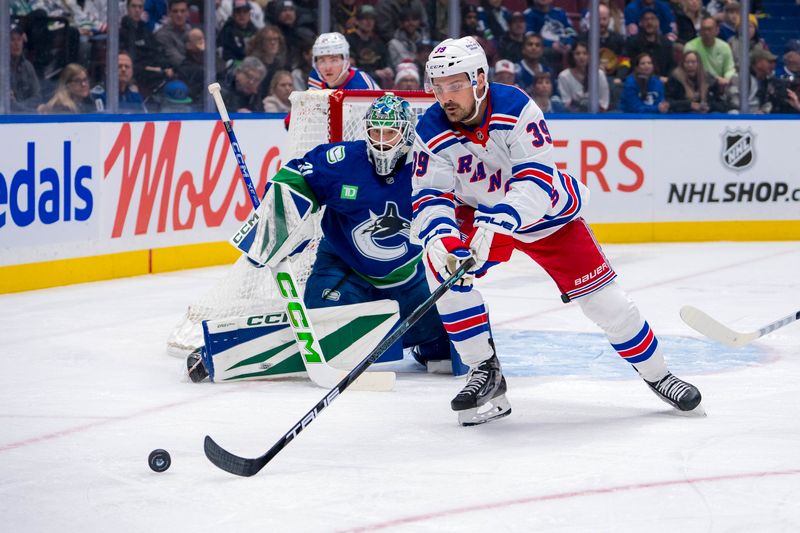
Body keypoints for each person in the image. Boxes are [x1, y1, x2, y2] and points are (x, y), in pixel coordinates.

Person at [413, 36, 701, 425]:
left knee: (608, 304)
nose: (445, 96)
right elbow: (431, 194)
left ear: (480, 78)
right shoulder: (430, 128)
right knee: (442, 270)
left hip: (546, 216)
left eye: (455, 85)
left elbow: (536, 178)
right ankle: (486, 371)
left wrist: (503, 218)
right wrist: (447, 242)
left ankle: (659, 374)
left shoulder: (515, 107)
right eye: (439, 87)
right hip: (477, 214)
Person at [272, 95, 465, 375]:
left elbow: (462, 204)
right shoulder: (343, 161)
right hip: (343, 269)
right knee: (326, 328)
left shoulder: (428, 168)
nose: (382, 140)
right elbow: (295, 177)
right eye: (376, 131)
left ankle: (425, 343)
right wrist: (273, 218)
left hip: (408, 277)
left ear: (407, 133)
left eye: (390, 132)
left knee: (447, 340)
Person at [307, 32, 380, 90]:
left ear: (346, 61)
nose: (327, 68)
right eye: (322, 61)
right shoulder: (315, 76)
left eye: (334, 60)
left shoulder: (361, 84)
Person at [684, 16, 736, 91]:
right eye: (703, 29)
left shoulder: (724, 47)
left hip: (722, 85)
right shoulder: (690, 46)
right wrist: (716, 79)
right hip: (697, 85)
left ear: (717, 30)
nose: (706, 32)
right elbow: (692, 70)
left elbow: (729, 68)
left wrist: (726, 79)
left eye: (709, 29)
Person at [557, 41, 610, 112]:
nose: (581, 57)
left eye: (585, 53)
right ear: (572, 56)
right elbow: (565, 101)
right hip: (573, 117)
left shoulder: (599, 75)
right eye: (577, 54)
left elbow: (604, 101)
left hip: (597, 116)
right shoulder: (564, 76)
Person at [10, 26, 41, 113]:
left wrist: (20, 105)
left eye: (19, 39)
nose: (16, 44)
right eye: (12, 39)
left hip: (26, 115)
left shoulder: (28, 66)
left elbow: (37, 96)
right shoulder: (2, 68)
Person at [154, 0, 192, 68]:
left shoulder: (191, 31)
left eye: (182, 11)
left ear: (188, 13)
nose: (179, 15)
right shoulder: (162, 35)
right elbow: (177, 60)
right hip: (176, 73)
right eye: (175, 11)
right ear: (169, 13)